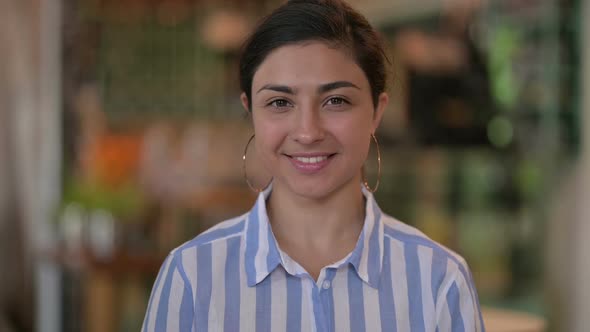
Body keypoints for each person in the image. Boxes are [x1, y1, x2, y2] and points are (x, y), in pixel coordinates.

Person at [142, 0, 485, 331]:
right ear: (250, 111)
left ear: (377, 112)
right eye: (279, 102)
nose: (307, 132)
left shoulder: (439, 280)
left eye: (336, 100)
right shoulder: (191, 276)